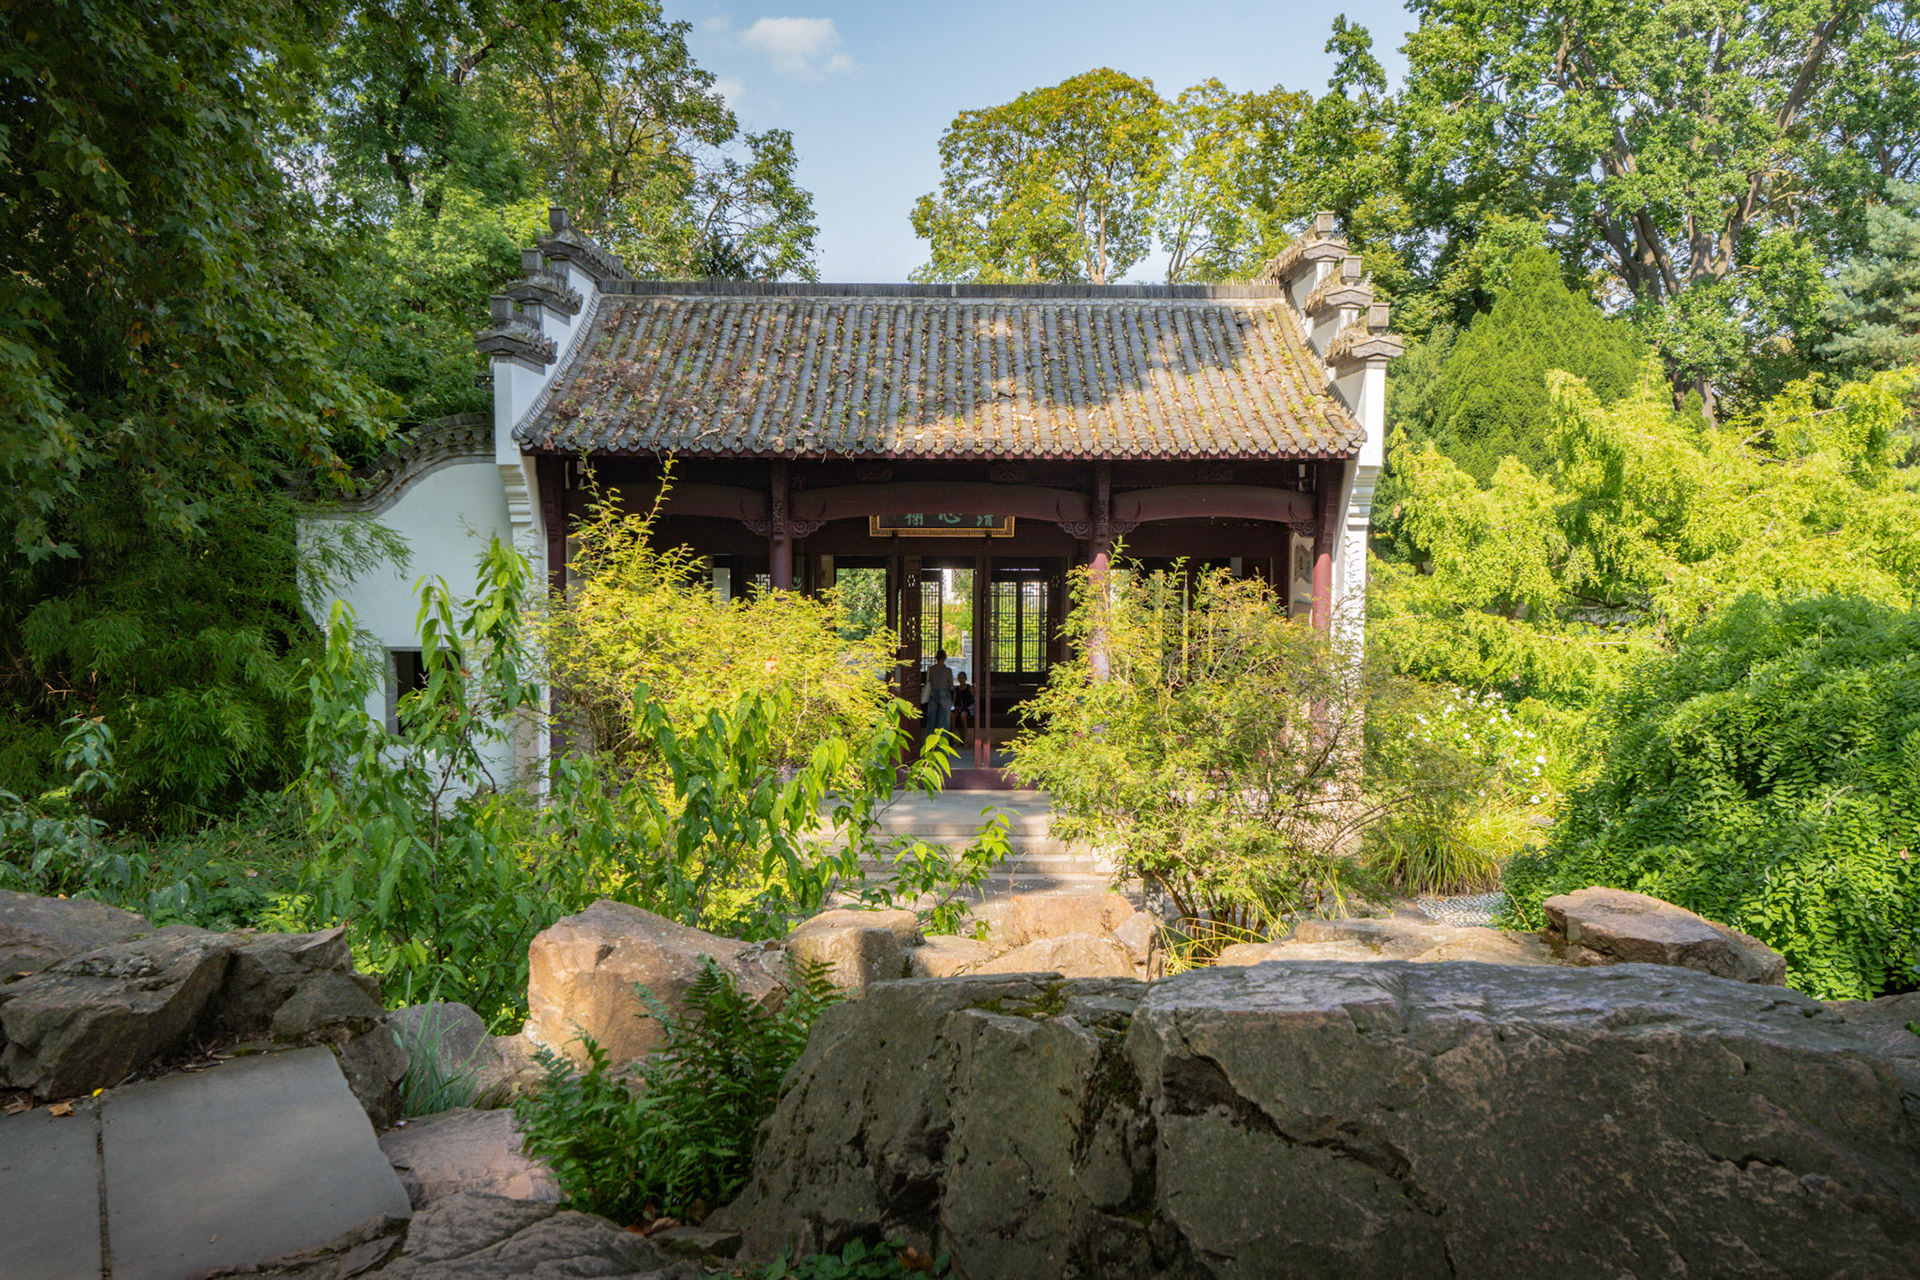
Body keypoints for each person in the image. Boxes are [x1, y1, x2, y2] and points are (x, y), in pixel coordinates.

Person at [925, 648, 953, 736]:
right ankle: (941, 743)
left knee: (931, 719)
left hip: (933, 694)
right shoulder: (947, 670)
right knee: (943, 720)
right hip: (944, 694)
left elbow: (928, 681)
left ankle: (929, 742)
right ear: (944, 658)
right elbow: (951, 686)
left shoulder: (931, 669)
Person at [952, 671, 975, 744]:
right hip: (958, 708)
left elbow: (974, 698)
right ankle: (953, 736)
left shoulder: (969, 688)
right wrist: (953, 707)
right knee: (952, 716)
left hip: (967, 708)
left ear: (965, 679)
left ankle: (965, 736)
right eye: (960, 678)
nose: (961, 679)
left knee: (963, 716)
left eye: (963, 677)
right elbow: (954, 700)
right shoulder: (957, 689)